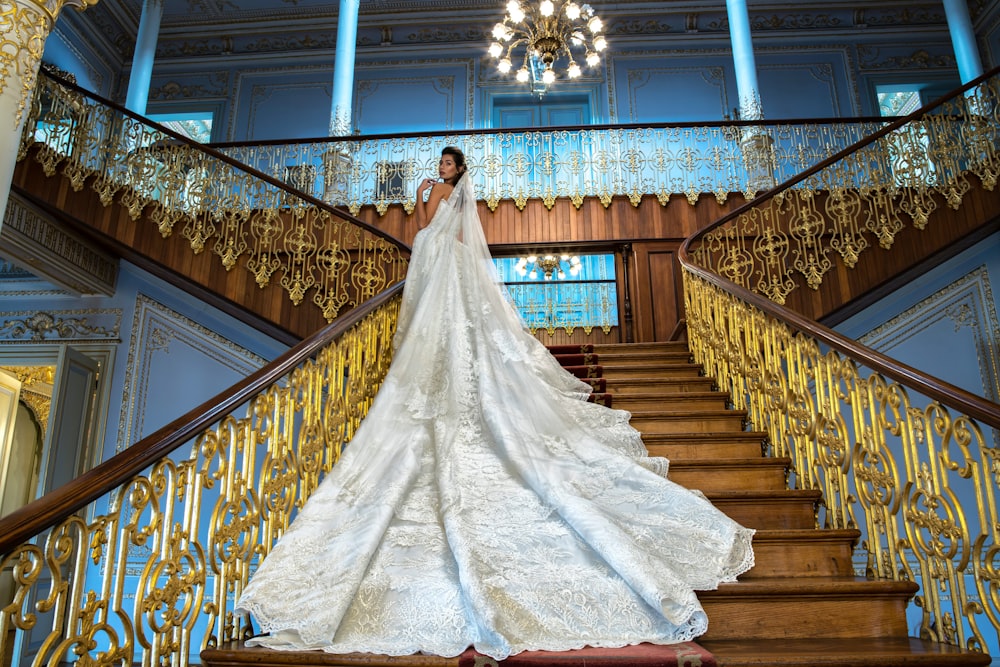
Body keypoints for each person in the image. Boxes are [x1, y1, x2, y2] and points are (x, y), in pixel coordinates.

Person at [235, 146, 755, 660]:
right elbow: (425, 226)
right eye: (439, 164)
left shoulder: (457, 197)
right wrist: (422, 201)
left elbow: (446, 235)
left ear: (458, 170)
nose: (440, 171)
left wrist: (434, 225)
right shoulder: (438, 194)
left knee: (456, 339)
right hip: (434, 260)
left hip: (443, 265)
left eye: (446, 165)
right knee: (435, 339)